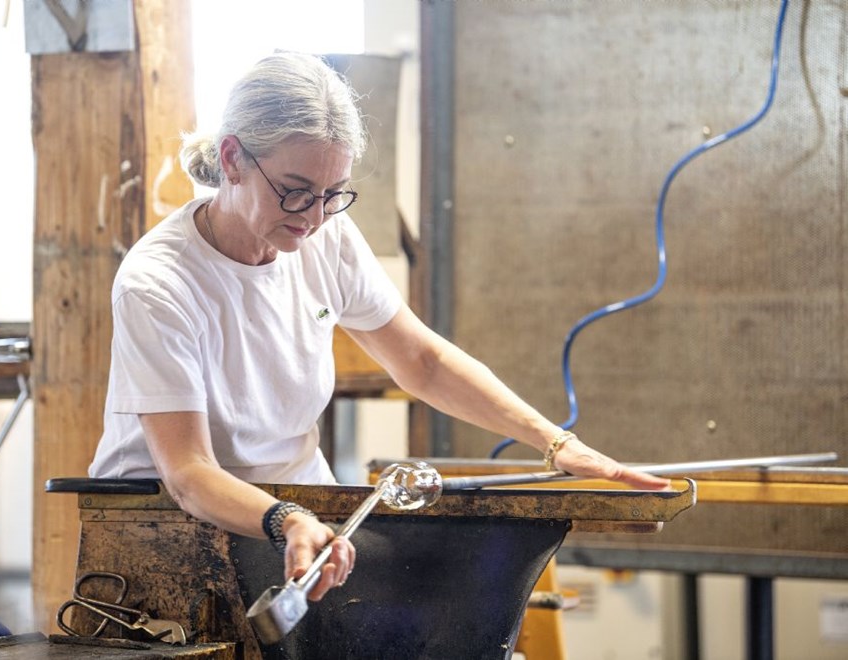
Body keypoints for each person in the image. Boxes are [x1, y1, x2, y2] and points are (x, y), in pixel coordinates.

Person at [89, 51, 669, 604]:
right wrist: (285, 519)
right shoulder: (160, 283)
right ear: (234, 158)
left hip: (296, 512)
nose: (313, 218)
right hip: (162, 520)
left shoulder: (325, 237)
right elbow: (188, 471)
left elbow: (423, 362)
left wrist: (555, 443)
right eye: (294, 191)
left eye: (331, 195)